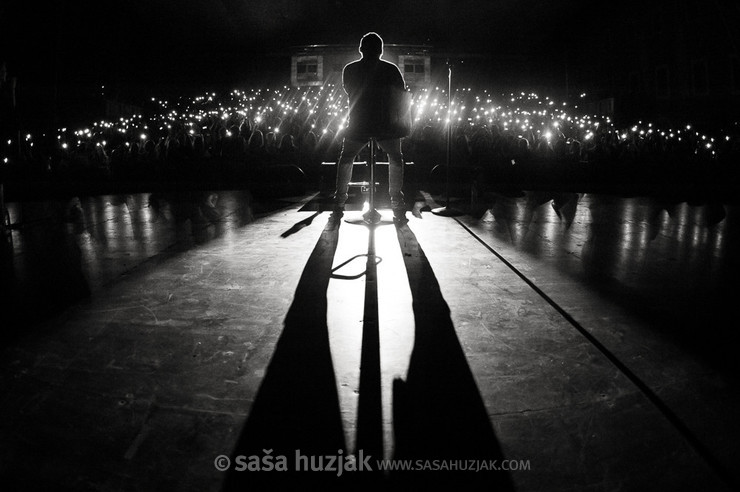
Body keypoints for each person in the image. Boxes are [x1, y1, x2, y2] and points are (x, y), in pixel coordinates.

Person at [332, 32, 411, 222]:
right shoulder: (391, 69)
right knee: (396, 158)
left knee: (347, 158)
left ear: (361, 49)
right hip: (387, 125)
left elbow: (348, 90)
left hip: (359, 123)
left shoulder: (350, 69)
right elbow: (401, 93)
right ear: (381, 50)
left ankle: (339, 203)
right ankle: (397, 204)